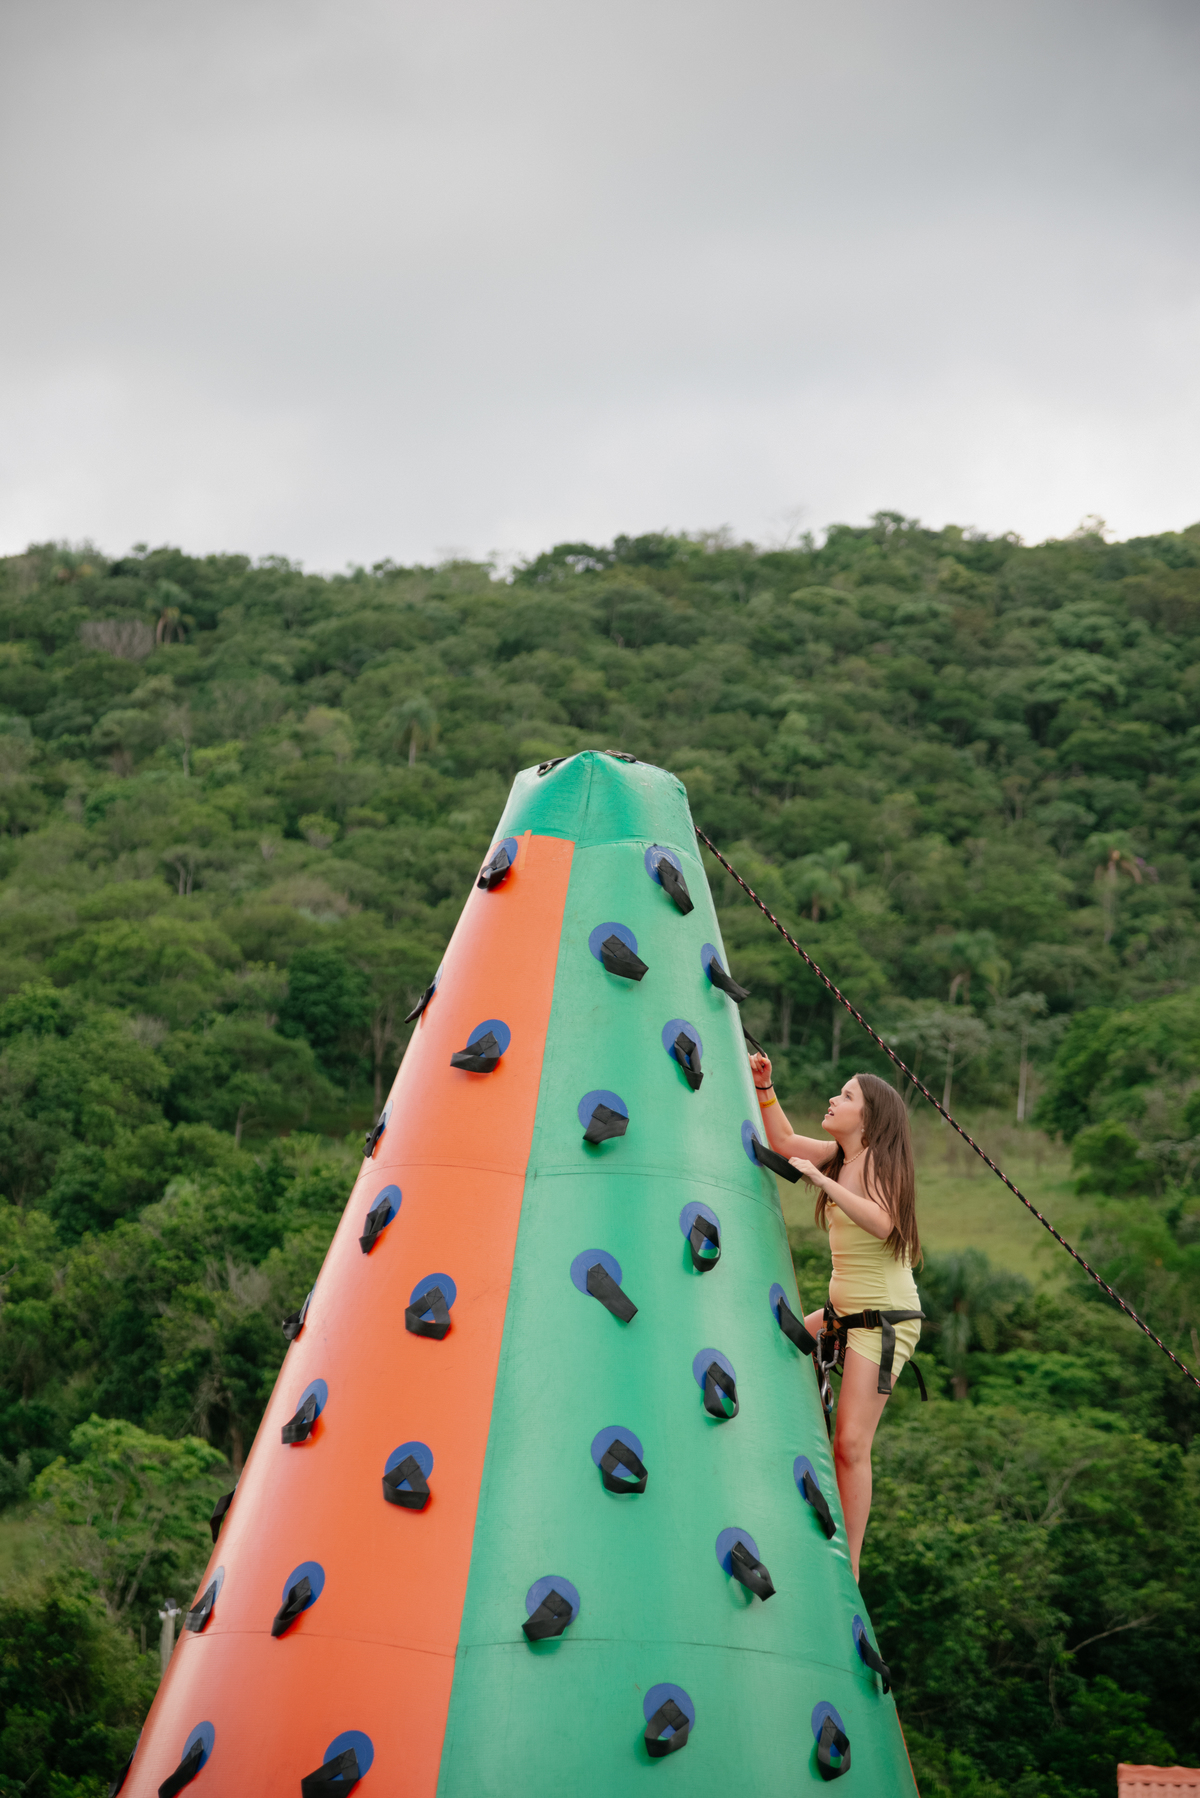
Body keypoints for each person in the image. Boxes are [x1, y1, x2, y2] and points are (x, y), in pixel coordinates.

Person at [750, 1053, 922, 1579]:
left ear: (869, 1120)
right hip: (842, 1316)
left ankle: (848, 1566)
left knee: (849, 1444)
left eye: (846, 1096)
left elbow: (882, 1222)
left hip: (883, 1321)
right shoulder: (838, 1155)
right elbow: (782, 1143)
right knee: (776, 1353)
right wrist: (765, 1088)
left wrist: (823, 1184)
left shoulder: (875, 1163)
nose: (833, 1099)